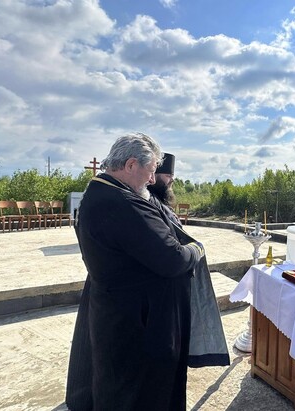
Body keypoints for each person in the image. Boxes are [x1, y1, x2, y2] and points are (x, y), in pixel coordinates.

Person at [65, 134, 206, 410]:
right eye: (152, 171)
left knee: (121, 386)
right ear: (131, 165)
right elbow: (172, 258)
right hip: (137, 322)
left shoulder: (100, 192)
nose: (153, 180)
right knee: (137, 391)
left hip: (119, 312)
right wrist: (197, 250)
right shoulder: (122, 203)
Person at [147, 153, 230, 368]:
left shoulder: (158, 202)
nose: (171, 182)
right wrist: (195, 248)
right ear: (153, 176)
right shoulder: (148, 203)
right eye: (167, 177)